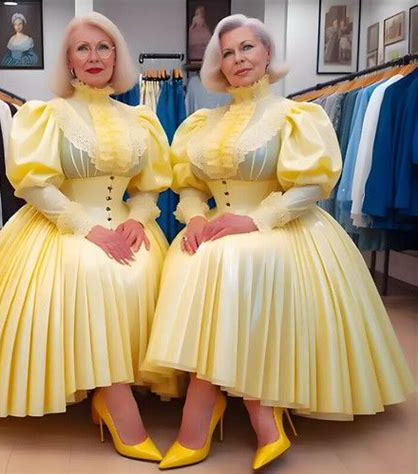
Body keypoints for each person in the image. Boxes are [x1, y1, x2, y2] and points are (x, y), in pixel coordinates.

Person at [143, 13, 414, 470]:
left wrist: (256, 221)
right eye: (227, 52)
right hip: (215, 224)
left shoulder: (295, 115)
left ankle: (210, 410)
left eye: (247, 47)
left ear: (267, 54)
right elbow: (188, 185)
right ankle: (245, 408)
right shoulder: (201, 124)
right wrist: (192, 220)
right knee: (191, 261)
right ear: (218, 65)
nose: (238, 59)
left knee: (240, 264)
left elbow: (310, 186)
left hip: (283, 224)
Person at [0, 12, 174, 463]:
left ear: (116, 56)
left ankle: (116, 387)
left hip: (124, 222)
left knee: (145, 268)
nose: (93, 57)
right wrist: (87, 228)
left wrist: (139, 217)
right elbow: (33, 184)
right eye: (82, 48)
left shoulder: (141, 119)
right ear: (68, 60)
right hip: (59, 221)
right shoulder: (45, 114)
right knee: (91, 272)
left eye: (103, 47)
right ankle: (113, 397)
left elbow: (151, 186)